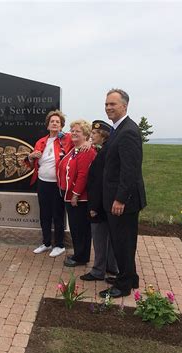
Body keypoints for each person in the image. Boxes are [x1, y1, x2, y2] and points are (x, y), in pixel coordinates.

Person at [99, 89, 147, 298]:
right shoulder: (118, 129)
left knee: (123, 243)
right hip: (117, 198)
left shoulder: (128, 131)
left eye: (113, 104)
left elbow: (130, 170)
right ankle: (130, 276)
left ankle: (123, 285)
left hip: (123, 201)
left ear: (124, 106)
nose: (109, 107)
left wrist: (120, 199)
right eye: (107, 104)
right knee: (123, 241)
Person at [28, 110, 90, 258]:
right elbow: (32, 165)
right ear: (48, 125)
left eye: (57, 122)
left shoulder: (67, 138)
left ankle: (60, 245)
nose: (54, 123)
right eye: (52, 121)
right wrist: (30, 157)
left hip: (58, 184)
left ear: (61, 125)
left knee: (58, 214)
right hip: (43, 182)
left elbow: (81, 138)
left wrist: (88, 142)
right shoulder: (41, 141)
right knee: (44, 214)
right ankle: (46, 242)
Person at [80, 120, 118, 281]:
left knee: (100, 238)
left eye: (94, 133)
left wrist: (94, 206)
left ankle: (98, 270)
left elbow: (99, 183)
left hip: (99, 204)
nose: (91, 135)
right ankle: (110, 266)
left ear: (102, 134)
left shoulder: (105, 152)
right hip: (104, 203)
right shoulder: (105, 149)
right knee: (108, 237)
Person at [57, 120, 96, 267]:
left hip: (80, 198)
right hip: (70, 195)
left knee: (80, 229)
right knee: (76, 227)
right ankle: (80, 253)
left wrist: (75, 194)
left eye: (77, 131)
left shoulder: (86, 151)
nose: (73, 133)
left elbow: (83, 175)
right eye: (72, 130)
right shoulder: (75, 149)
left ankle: (81, 257)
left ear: (85, 135)